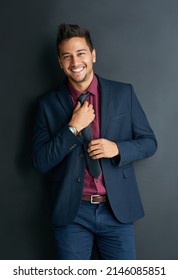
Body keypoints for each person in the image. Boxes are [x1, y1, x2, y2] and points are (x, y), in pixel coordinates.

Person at [32, 23, 157, 260]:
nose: (75, 62)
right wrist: (72, 128)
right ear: (60, 62)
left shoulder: (124, 93)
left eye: (80, 53)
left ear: (93, 55)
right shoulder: (46, 104)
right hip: (72, 213)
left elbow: (149, 142)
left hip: (117, 210)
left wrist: (117, 148)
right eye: (66, 56)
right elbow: (40, 161)